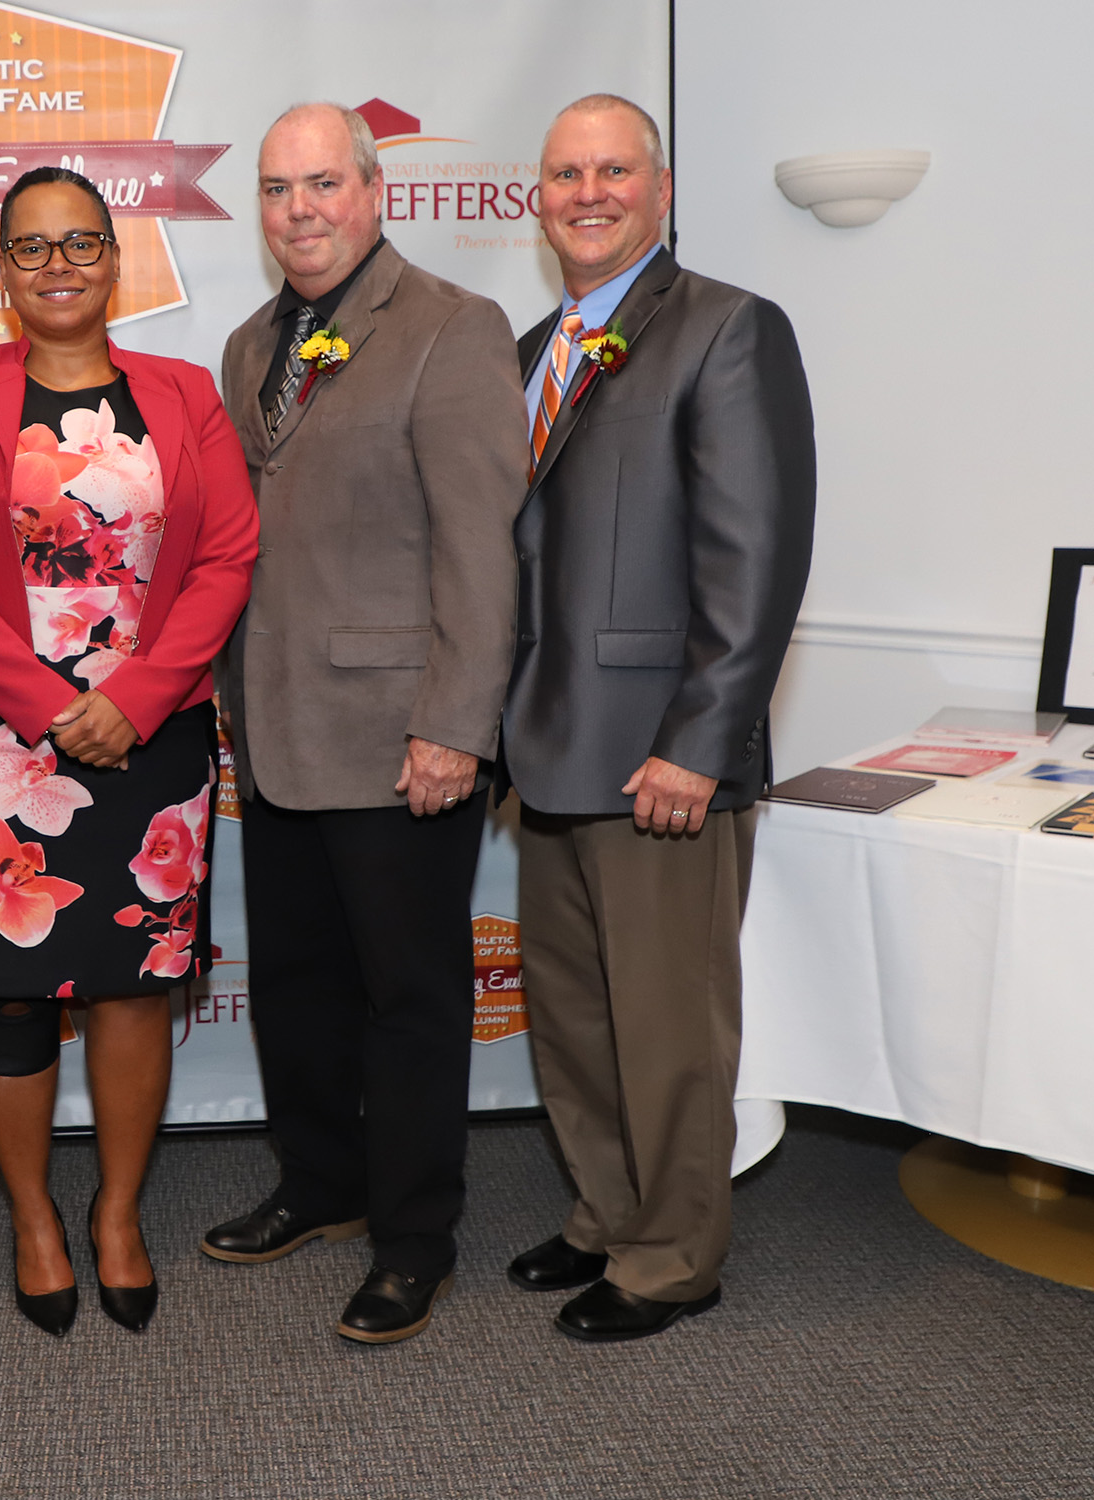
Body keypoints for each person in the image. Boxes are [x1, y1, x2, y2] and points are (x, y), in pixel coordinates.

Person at [0, 167, 258, 1336]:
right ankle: (37, 1217)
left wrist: (137, 697)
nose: (57, 264)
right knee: (7, 995)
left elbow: (229, 557)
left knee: (134, 989)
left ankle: (118, 1214)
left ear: (114, 262)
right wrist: (49, 705)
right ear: (2, 271)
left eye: (80, 243)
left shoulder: (184, 393)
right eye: (32, 246)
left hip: (152, 741)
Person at [203, 103, 528, 1346]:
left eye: (323, 183)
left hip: (404, 741)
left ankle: (413, 1236)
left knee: (411, 997)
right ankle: (322, 1185)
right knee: (294, 984)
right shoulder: (250, 344)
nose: (300, 210)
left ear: (376, 189)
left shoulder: (451, 329)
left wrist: (455, 725)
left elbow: (483, 556)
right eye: (280, 189)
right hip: (277, 735)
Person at [500, 94, 814, 1342]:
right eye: (567, 171)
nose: (589, 191)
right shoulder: (534, 345)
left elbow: (757, 562)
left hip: (660, 762)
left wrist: (699, 741)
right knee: (577, 1017)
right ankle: (607, 1215)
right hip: (548, 744)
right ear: (537, 195)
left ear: (661, 188)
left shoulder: (729, 329)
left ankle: (675, 1255)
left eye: (613, 169)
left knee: (672, 1025)